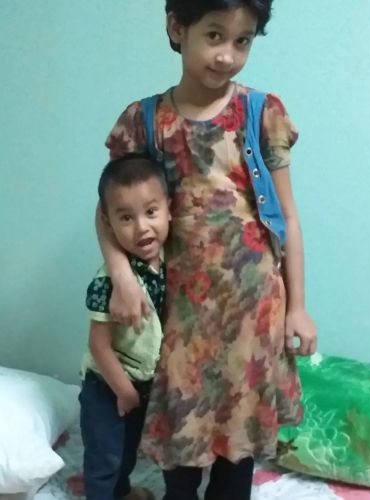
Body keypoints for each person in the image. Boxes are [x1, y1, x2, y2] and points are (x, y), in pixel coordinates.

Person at [98, 1, 318, 499]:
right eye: (215, 36)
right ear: (177, 28)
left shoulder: (261, 113)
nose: (227, 56)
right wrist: (122, 277)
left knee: (237, 449)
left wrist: (298, 307)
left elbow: (288, 217)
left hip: (253, 312)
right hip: (181, 314)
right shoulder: (144, 121)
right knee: (182, 437)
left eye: (242, 41)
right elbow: (108, 210)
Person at [80, 155, 171, 500]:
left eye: (151, 212)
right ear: (108, 223)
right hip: (107, 385)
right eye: (126, 218)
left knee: (127, 451)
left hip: (143, 385)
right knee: (105, 456)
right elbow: (99, 345)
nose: (142, 227)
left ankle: (121, 492)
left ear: (169, 209)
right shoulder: (110, 281)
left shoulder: (170, 265)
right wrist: (124, 391)